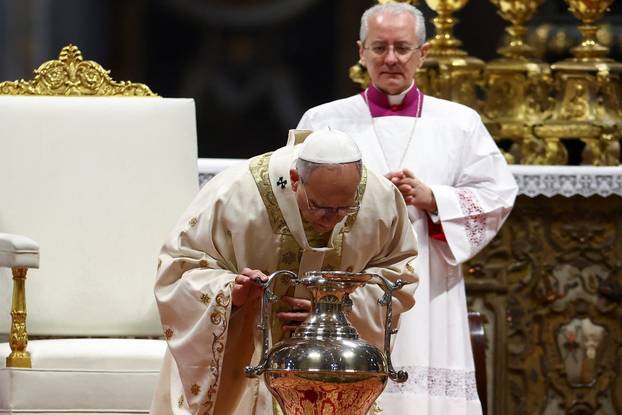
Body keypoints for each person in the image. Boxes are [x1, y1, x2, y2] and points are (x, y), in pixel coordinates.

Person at [297, 3, 518, 414]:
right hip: (349, 278)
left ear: (424, 52)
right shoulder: (325, 121)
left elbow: (497, 194)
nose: (391, 59)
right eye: (380, 48)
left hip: (429, 280)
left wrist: (434, 198)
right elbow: (295, 196)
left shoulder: (459, 122)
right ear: (361, 52)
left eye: (402, 47)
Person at [149, 129, 419, 415]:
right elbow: (180, 268)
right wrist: (232, 292)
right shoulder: (235, 194)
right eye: (320, 207)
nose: (331, 220)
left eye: (345, 209)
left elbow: (399, 276)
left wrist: (334, 310)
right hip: (245, 356)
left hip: (331, 364)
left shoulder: (379, 199)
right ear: (294, 181)